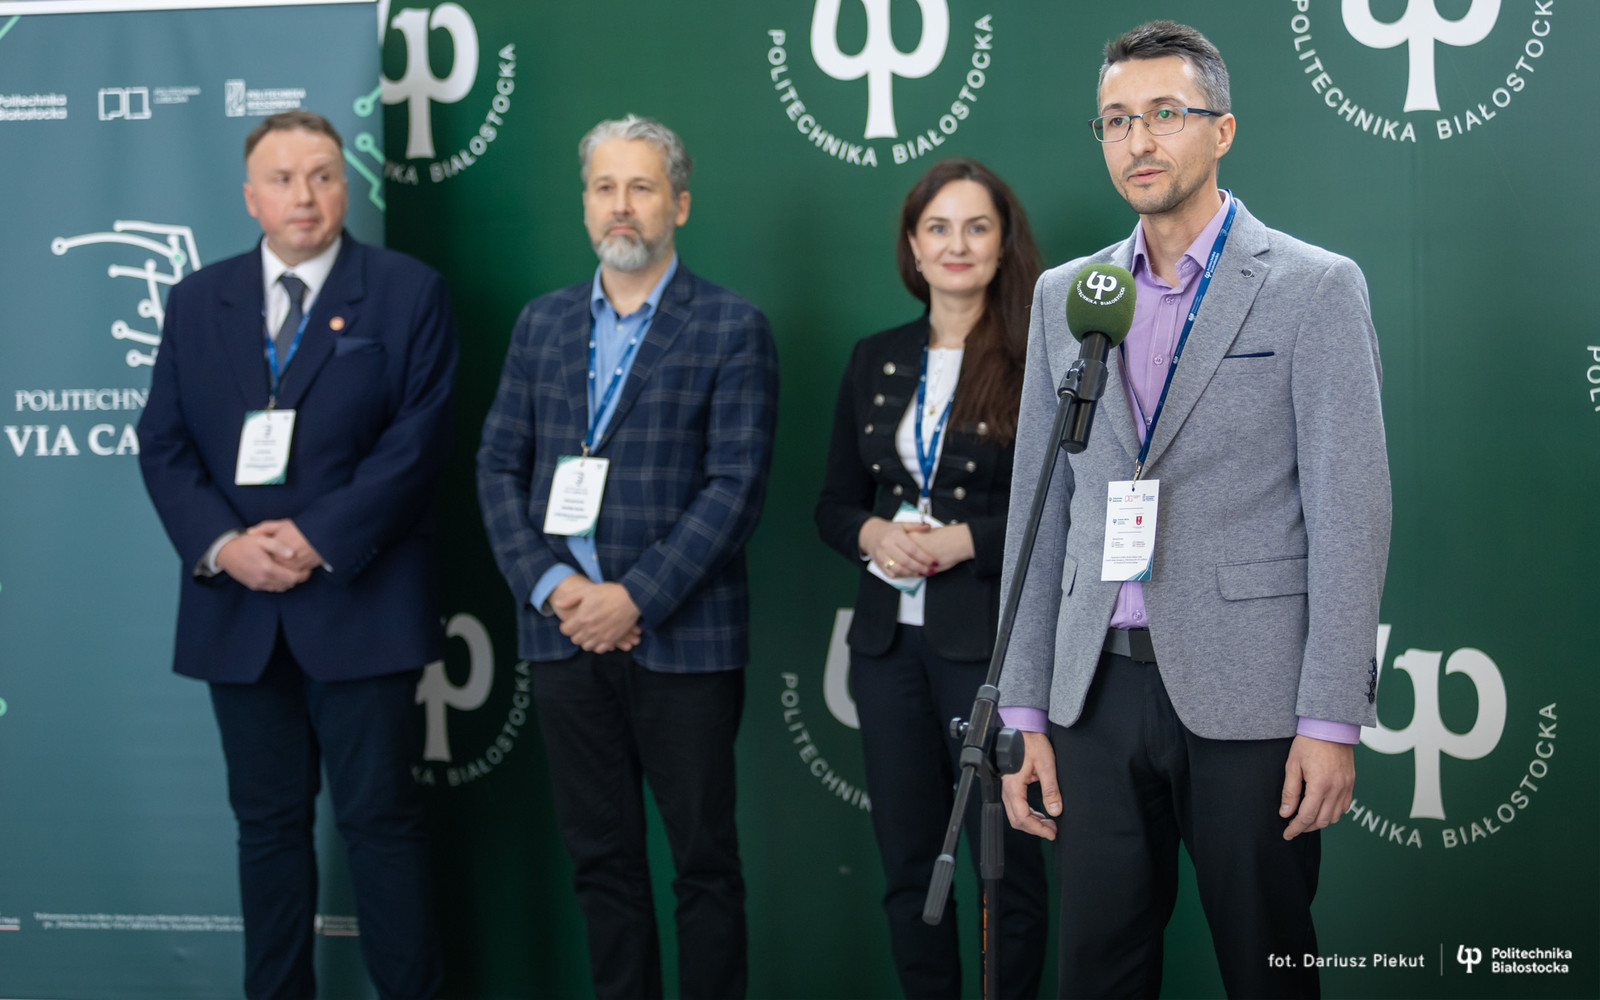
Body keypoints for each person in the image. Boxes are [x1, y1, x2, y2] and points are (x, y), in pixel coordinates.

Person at [996, 20, 1392, 999]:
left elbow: (1350, 514)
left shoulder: (1313, 287)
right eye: (1116, 119)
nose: (1138, 140)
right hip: (1092, 695)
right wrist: (1022, 708)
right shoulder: (1066, 297)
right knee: (1096, 971)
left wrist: (1331, 719)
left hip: (1252, 698)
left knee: (1266, 968)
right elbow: (1040, 516)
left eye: (1164, 114)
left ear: (1221, 130)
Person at [137, 109, 453, 999]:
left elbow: (418, 442)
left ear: (346, 186)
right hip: (238, 610)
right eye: (282, 179)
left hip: (362, 604)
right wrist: (222, 546)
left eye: (322, 175)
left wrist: (319, 538)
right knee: (267, 830)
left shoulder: (409, 291)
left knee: (382, 825)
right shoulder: (197, 300)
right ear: (251, 197)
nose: (303, 196)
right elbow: (163, 443)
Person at [476, 114, 778, 1000]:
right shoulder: (541, 325)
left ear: (678, 204)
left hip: (684, 641)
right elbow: (496, 466)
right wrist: (553, 586)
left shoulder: (730, 326)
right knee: (601, 863)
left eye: (641, 187)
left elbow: (735, 486)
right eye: (604, 187)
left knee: (704, 866)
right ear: (584, 205)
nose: (621, 205)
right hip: (563, 634)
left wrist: (633, 596)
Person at [815, 158, 1049, 999]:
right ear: (913, 246)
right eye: (938, 228)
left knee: (1006, 867)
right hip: (886, 650)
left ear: (1003, 243)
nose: (957, 244)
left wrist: (963, 542)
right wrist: (873, 532)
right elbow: (833, 505)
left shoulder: (1036, 357)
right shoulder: (874, 356)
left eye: (976, 227)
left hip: (988, 648)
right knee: (910, 864)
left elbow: (1060, 510)